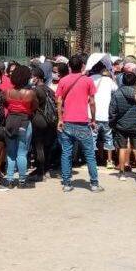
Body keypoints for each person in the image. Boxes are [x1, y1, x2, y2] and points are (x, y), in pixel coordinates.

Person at [56, 54, 100, 193]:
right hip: (82, 122)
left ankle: (67, 183)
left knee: (66, 153)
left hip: (67, 121)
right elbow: (92, 102)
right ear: (82, 66)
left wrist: (60, 119)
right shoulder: (87, 81)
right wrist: (93, 119)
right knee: (89, 154)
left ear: (69, 66)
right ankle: (94, 183)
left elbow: (59, 102)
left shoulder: (63, 81)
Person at [3, 64, 37, 188]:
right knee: (22, 153)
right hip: (25, 122)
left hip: (10, 120)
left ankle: (10, 179)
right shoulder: (30, 93)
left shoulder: (7, 92)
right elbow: (34, 107)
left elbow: (6, 105)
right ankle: (22, 181)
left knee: (11, 153)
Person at [109, 70, 136, 181]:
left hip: (121, 125)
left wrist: (112, 122)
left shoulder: (117, 93)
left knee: (122, 148)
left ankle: (122, 172)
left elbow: (112, 110)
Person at [87, 54, 118, 170]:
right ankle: (109, 161)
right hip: (106, 115)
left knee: (93, 138)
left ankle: (93, 161)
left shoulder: (89, 79)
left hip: (92, 115)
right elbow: (116, 90)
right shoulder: (108, 80)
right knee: (108, 138)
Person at [29, 66, 57, 180]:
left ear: (36, 78)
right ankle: (46, 170)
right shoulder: (50, 90)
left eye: (32, 77)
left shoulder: (35, 90)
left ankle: (40, 172)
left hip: (39, 119)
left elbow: (33, 106)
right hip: (51, 120)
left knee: (38, 146)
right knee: (48, 146)